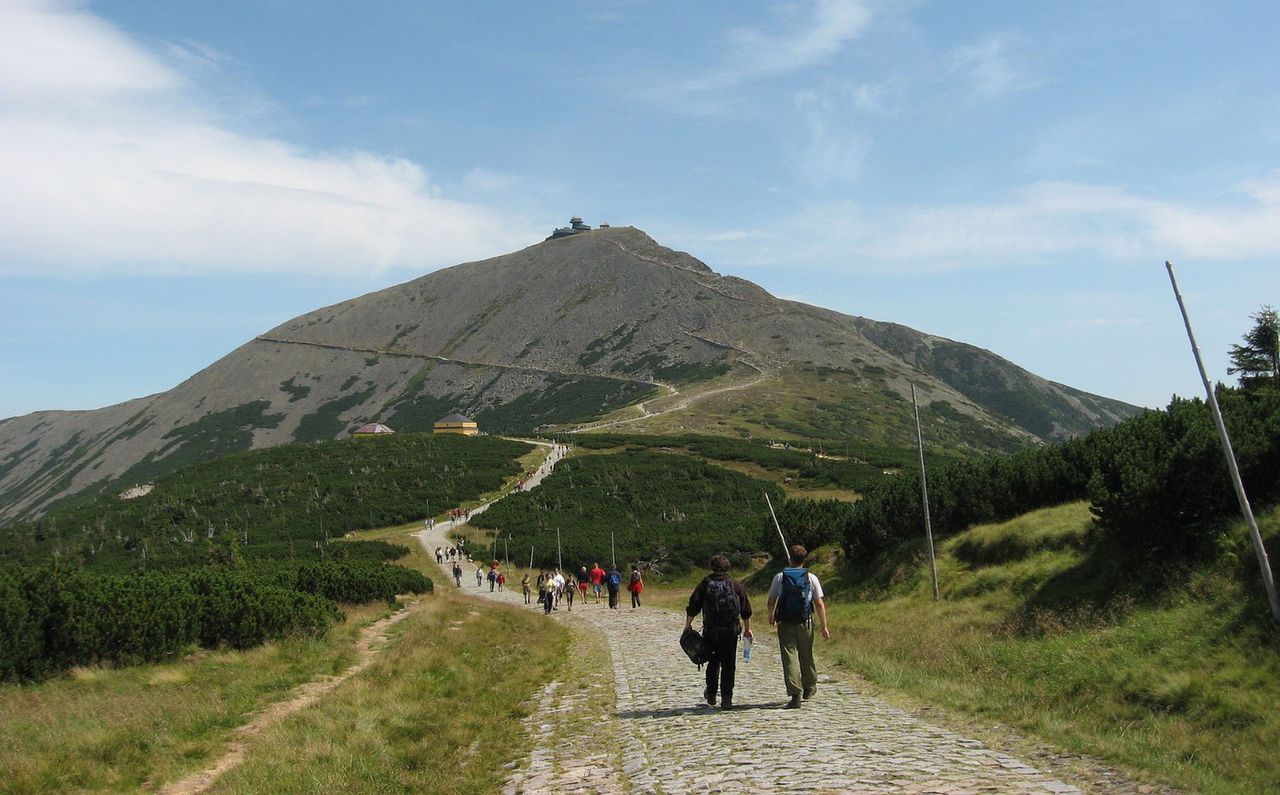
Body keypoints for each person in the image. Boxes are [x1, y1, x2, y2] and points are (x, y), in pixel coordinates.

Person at [685, 554, 753, 710]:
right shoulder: (735, 585)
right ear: (728, 568)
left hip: (711, 631)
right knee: (729, 664)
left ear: (712, 567)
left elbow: (693, 606)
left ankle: (711, 693)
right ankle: (727, 698)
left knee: (713, 662)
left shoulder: (705, 584)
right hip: (731, 631)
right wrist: (748, 629)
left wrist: (687, 626)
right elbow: (746, 610)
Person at [766, 544, 831, 709]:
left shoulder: (780, 577)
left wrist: (771, 615)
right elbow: (819, 603)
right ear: (805, 559)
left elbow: (771, 600)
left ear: (790, 559)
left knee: (789, 657)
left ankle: (795, 694)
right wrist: (824, 626)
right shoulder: (811, 578)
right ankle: (809, 686)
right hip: (806, 621)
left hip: (785, 622)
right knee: (806, 654)